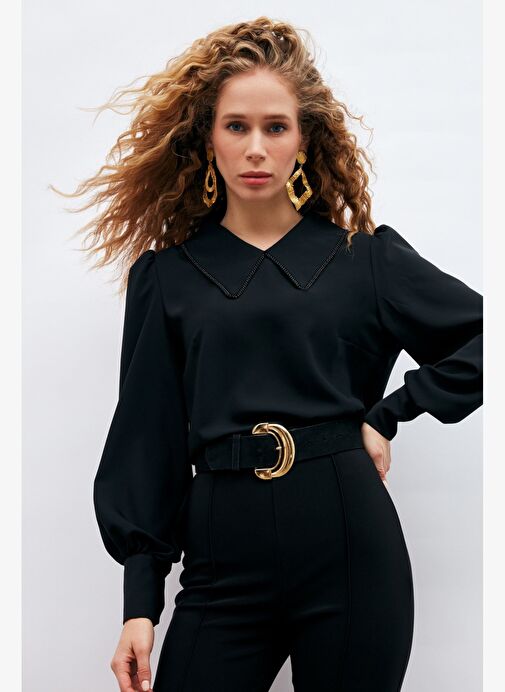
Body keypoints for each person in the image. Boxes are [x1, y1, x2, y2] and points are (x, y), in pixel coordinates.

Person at [66, 17, 482, 692]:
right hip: (221, 561)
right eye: (236, 126)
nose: (255, 148)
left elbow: (482, 336)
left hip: (350, 548)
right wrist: (140, 604)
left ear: (303, 140)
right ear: (207, 138)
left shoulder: (365, 260)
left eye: (275, 127)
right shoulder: (167, 278)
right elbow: (146, 440)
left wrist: (389, 414)